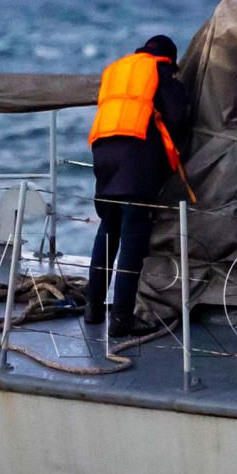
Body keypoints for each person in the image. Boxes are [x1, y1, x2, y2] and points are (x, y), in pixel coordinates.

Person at [85, 34, 191, 339]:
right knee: (133, 233)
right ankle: (121, 317)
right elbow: (177, 116)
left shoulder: (116, 70)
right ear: (169, 58)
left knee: (108, 228)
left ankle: (93, 308)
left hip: (103, 151)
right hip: (135, 156)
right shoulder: (160, 69)